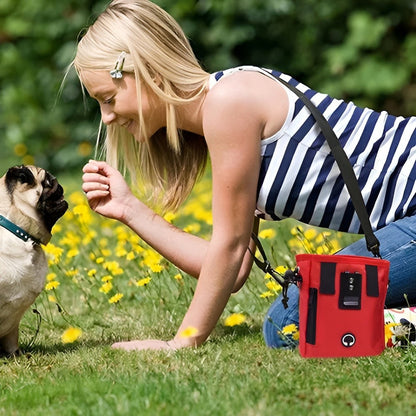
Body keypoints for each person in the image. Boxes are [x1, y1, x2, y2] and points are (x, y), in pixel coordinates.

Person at [74, 0, 416, 351]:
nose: (106, 118)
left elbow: (230, 246)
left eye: (109, 98)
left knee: (293, 323)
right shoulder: (222, 112)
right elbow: (232, 268)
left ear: (150, 73)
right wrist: (130, 209)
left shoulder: (229, 102)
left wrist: (180, 344)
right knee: (291, 322)